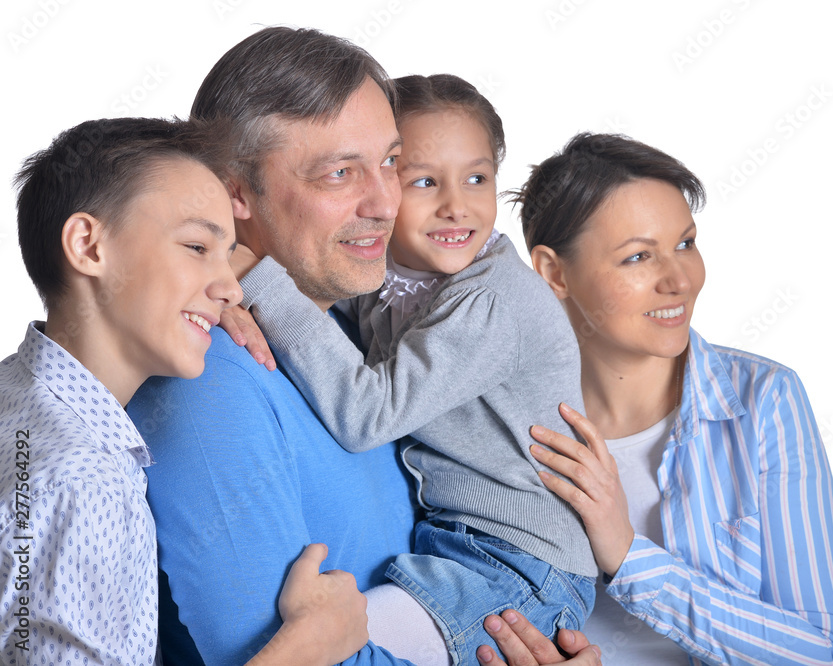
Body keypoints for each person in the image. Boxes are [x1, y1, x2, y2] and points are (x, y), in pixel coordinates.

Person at [126, 27, 600, 666]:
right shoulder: (210, 382)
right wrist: (223, 270)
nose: (386, 201)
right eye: (340, 172)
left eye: (389, 163)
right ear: (236, 193)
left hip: (514, 573)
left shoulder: (364, 324)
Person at [0, 117, 370, 666]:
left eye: (229, 255)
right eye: (197, 246)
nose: (229, 287)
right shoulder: (85, 480)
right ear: (88, 246)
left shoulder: (17, 389)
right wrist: (307, 649)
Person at [513, 133, 833, 664]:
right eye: (638, 257)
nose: (679, 279)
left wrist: (627, 555)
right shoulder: (510, 418)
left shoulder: (763, 401)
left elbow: (819, 652)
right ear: (554, 272)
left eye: (686, 244)